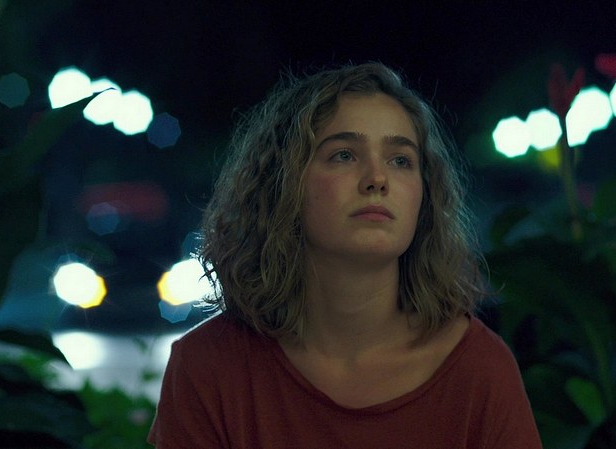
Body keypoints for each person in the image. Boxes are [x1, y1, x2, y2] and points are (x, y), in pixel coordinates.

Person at [148, 62, 542, 448]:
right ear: (285, 182)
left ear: (425, 197)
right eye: (344, 155)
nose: (377, 179)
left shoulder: (478, 369)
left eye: (401, 160)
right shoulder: (210, 366)